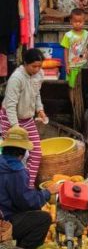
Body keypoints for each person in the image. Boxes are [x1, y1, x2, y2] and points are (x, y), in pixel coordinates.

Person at [0, 127, 59, 249]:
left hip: (3, 213)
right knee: (43, 218)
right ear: (22, 153)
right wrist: (47, 192)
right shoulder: (17, 171)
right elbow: (27, 202)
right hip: (5, 222)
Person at [2, 49, 47, 186]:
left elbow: (36, 93)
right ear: (25, 63)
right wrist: (15, 127)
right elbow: (10, 105)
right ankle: (8, 184)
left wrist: (40, 109)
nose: (37, 69)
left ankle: (28, 185)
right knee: (13, 156)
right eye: (34, 66)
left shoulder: (39, 74)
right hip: (9, 120)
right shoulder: (16, 78)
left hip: (27, 120)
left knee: (36, 153)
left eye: (39, 66)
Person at [61, 8, 88, 89]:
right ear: (71, 21)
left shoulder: (87, 34)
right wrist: (67, 66)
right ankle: (72, 101)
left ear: (84, 21)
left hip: (83, 66)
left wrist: (87, 56)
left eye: (80, 21)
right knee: (71, 87)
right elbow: (66, 51)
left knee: (83, 87)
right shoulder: (68, 35)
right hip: (72, 66)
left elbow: (87, 47)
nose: (78, 23)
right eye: (75, 21)